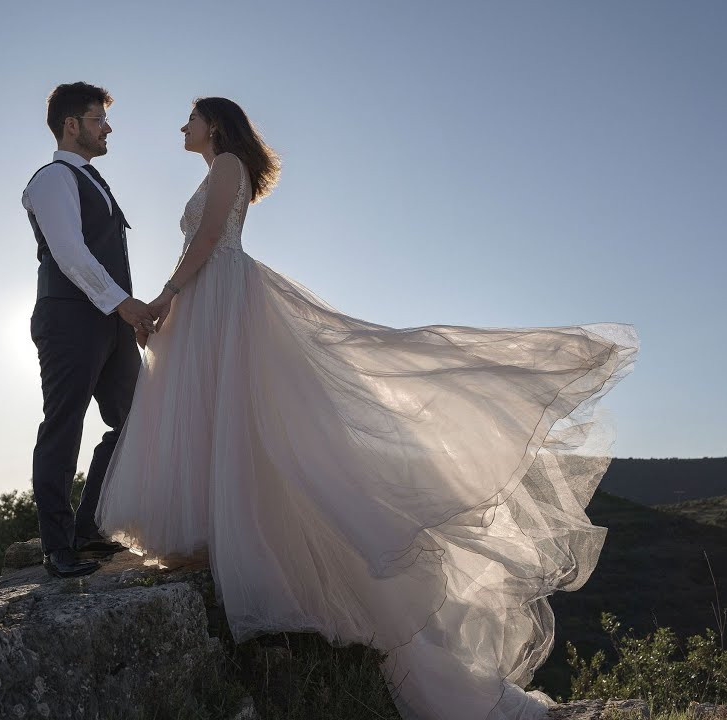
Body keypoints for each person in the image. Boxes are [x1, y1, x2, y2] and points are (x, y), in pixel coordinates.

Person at [96, 97, 638, 720]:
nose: (182, 128)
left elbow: (214, 237)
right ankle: (207, 533)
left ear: (214, 124)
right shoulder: (217, 169)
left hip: (219, 299)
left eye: (190, 119)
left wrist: (164, 296)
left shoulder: (224, 170)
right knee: (225, 418)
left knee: (236, 415)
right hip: (213, 301)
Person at [23, 82, 155, 578]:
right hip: (68, 318)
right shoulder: (52, 178)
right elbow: (70, 252)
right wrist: (125, 305)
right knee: (64, 423)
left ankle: (87, 526)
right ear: (71, 125)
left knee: (136, 421)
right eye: (98, 119)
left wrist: (126, 315)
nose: (108, 128)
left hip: (112, 320)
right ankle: (57, 546)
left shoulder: (93, 179)